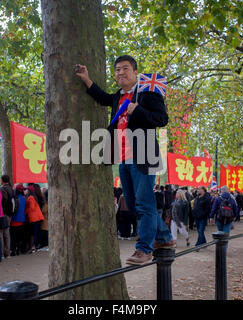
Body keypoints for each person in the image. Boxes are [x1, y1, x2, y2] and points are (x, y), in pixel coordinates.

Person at [76, 55, 173, 265]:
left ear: (136, 72)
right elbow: (101, 97)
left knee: (144, 204)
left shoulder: (147, 94)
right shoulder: (117, 97)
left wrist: (138, 110)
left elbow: (161, 119)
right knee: (132, 203)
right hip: (122, 158)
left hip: (145, 154)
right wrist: (86, 79)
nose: (121, 73)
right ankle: (164, 237)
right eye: (117, 69)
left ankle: (144, 250)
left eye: (125, 69)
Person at [24, 185, 44, 253]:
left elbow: (31, 208)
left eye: (26, 189)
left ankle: (34, 246)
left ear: (29, 190)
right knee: (36, 232)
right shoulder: (33, 197)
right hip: (36, 217)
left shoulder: (31, 198)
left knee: (34, 232)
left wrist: (26, 211)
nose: (25, 191)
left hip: (34, 217)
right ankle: (36, 245)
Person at [0, 175, 15, 259]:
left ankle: (1, 253)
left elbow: (1, 201)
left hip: (3, 213)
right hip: (10, 213)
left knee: (1, 233)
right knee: (7, 233)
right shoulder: (12, 189)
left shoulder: (2, 189)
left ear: (2, 180)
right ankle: (7, 253)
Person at [10, 184, 26, 256]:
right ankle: (18, 250)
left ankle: (13, 250)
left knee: (13, 237)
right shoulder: (23, 198)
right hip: (21, 220)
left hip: (14, 220)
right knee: (19, 237)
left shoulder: (14, 198)